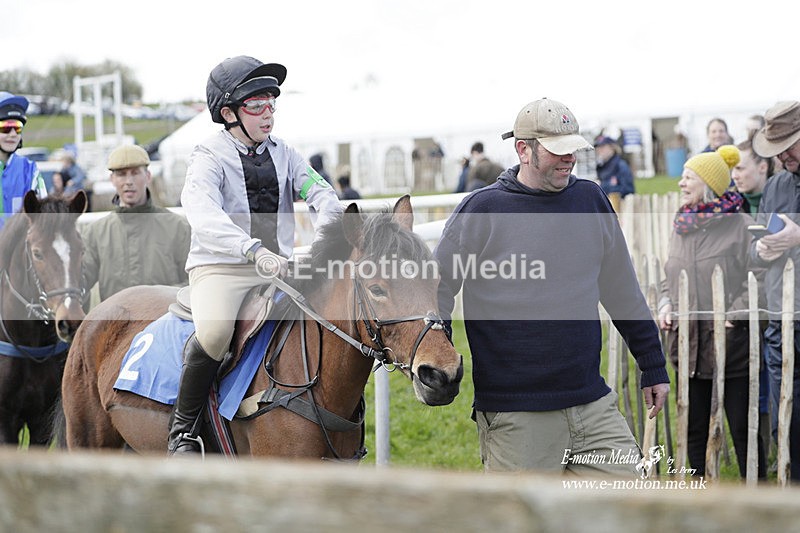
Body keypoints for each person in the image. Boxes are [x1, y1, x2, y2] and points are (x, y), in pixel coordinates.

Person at [435, 98, 670, 476]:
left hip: (591, 403)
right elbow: (438, 285)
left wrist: (653, 365)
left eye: (573, 150)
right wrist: (440, 345)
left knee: (629, 510)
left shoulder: (589, 200)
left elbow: (622, 290)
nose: (569, 159)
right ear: (523, 150)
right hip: (516, 413)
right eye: (558, 151)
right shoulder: (483, 210)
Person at [168, 56, 342, 455]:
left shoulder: (287, 153)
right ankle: (182, 434)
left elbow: (324, 197)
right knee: (213, 334)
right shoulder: (207, 157)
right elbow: (203, 214)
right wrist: (251, 249)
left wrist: (323, 244)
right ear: (228, 113)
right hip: (221, 268)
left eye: (271, 104)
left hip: (277, 267)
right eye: (256, 105)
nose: (268, 114)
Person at [658, 145, 766, 479]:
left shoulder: (741, 225)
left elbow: (761, 277)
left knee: (742, 429)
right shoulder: (682, 225)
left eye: (688, 177)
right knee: (693, 429)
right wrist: (665, 302)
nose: (681, 184)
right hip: (689, 347)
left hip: (731, 346)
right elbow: (669, 276)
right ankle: (698, 495)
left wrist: (734, 314)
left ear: (709, 183)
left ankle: (759, 499)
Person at [750, 100, 800, 481]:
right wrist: (763, 249)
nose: (783, 155)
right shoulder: (777, 184)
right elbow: (755, 248)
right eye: (777, 148)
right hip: (780, 325)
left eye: (791, 144)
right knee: (788, 425)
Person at [80, 144, 190, 303]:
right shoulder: (95, 233)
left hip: (166, 322)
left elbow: (194, 282)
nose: (128, 181)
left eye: (135, 173)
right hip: (114, 325)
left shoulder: (178, 227)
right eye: (122, 174)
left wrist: (157, 300)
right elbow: (78, 286)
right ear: (112, 180)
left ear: (148, 176)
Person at [732, 138, 775, 459]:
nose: (735, 174)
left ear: (762, 166)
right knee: (754, 378)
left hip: (775, 299)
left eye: (741, 167)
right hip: (744, 308)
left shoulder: (777, 198)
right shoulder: (733, 206)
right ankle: (764, 444)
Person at [0, 91, 47, 229]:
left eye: (18, 128)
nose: (13, 134)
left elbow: (43, 218)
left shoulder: (30, 170)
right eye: (6, 128)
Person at [594, 135, 635, 213]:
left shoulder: (621, 166)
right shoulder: (601, 167)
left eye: (603, 147)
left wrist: (601, 187)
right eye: (598, 147)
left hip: (621, 210)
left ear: (612, 147)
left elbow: (629, 190)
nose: (599, 150)